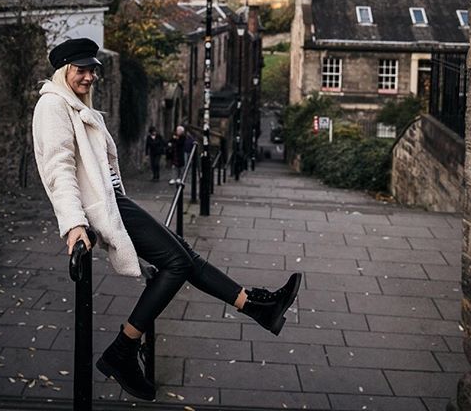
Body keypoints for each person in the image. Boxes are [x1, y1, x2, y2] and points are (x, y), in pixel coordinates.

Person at [33, 38, 302, 403]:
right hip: (99, 209)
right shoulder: (52, 106)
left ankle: (257, 307)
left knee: (184, 255)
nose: (89, 76)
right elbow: (58, 168)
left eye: (93, 69)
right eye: (80, 70)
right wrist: (74, 224)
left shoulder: (74, 102)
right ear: (63, 70)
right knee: (175, 264)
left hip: (115, 202)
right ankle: (123, 350)